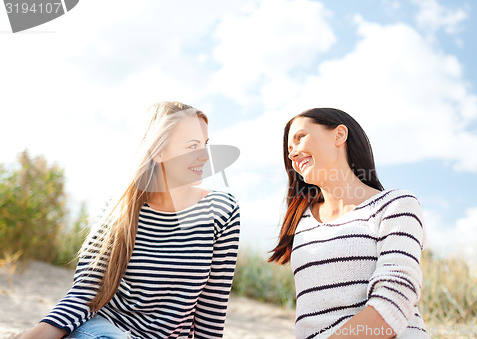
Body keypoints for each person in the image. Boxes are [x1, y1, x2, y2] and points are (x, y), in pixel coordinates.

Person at [20, 101, 240, 339]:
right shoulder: (119, 209)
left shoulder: (222, 210)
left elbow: (212, 310)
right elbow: (84, 294)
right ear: (159, 151)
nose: (204, 157)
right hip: (101, 331)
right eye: (193, 145)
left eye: (205, 145)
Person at [269, 108, 430, 339]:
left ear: (339, 135)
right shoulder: (301, 221)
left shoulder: (395, 204)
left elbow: (395, 299)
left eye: (300, 137)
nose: (292, 154)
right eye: (289, 149)